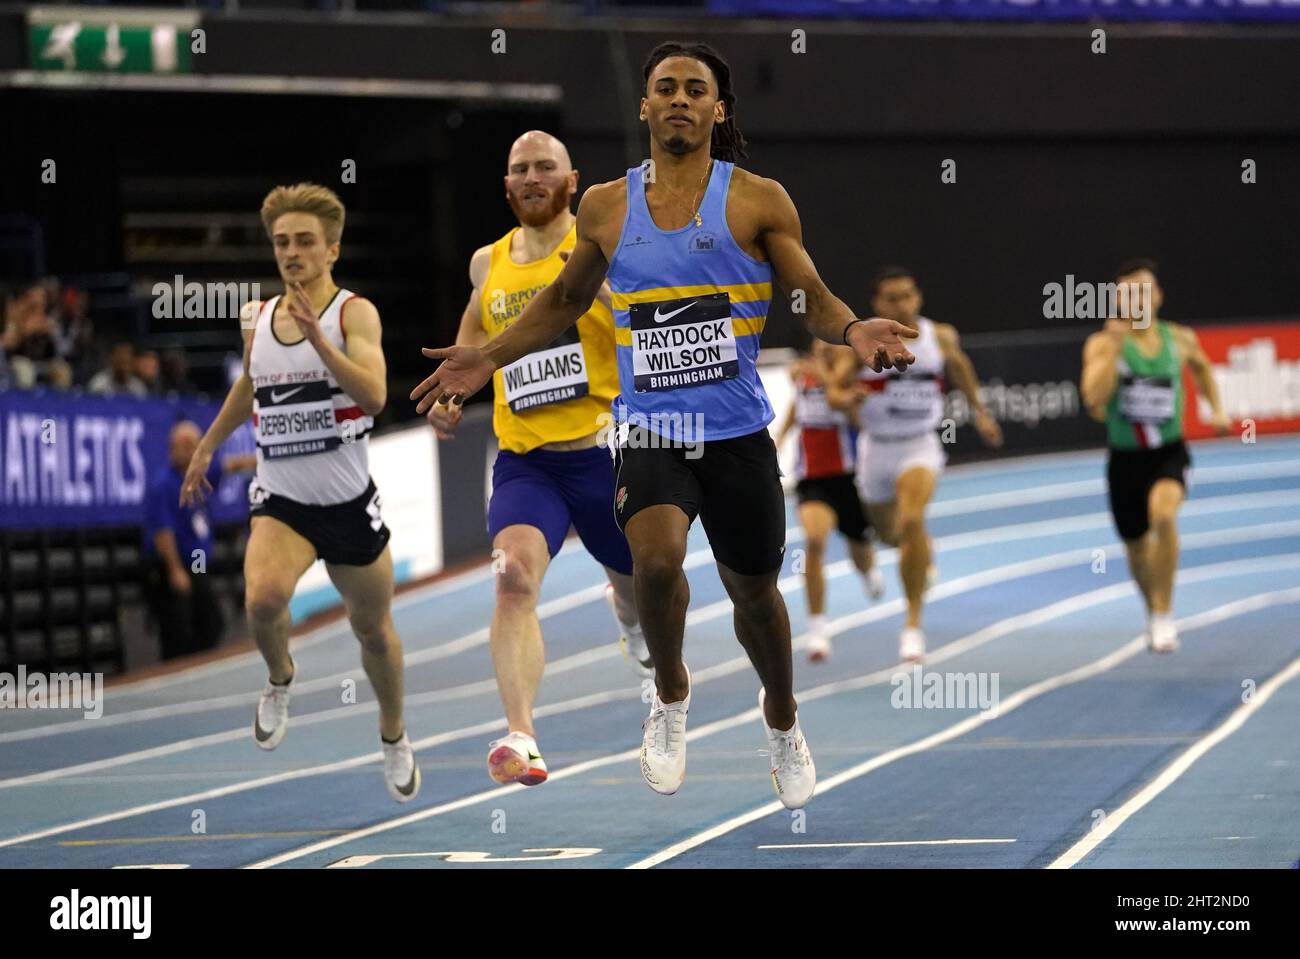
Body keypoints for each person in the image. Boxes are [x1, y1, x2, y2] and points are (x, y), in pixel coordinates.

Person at [412, 41, 917, 810]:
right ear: (644, 107)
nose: (679, 99)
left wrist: (851, 330)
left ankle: (781, 718)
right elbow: (560, 304)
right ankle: (671, 696)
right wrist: (485, 357)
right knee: (653, 561)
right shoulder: (608, 206)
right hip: (650, 426)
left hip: (737, 432)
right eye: (664, 89)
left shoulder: (757, 198)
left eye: (695, 89)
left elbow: (808, 294)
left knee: (755, 595)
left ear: (719, 110)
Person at [181, 183, 421, 802]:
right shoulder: (256, 317)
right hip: (282, 502)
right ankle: (280, 676)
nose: (292, 252)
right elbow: (252, 387)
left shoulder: (352, 314)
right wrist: (209, 445)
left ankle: (393, 735)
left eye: (305, 242)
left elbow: (373, 396)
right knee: (261, 600)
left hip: (346, 505)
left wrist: (320, 341)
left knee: (373, 631)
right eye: (282, 242)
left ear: (332, 249)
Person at [425, 130, 648, 788]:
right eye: (519, 168)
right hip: (528, 462)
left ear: (571, 180)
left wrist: (616, 304)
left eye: (544, 166)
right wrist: (453, 385)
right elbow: (473, 321)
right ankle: (522, 732)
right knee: (513, 580)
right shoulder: (485, 262)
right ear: (506, 185)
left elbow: (652, 325)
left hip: (605, 455)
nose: (531, 176)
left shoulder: (605, 251)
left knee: (643, 589)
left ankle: (629, 610)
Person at [828, 266, 1002, 663]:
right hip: (876, 449)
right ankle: (922, 548)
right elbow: (836, 390)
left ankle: (912, 625)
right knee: (890, 535)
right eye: (892, 298)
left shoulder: (939, 335)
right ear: (877, 303)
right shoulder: (862, 340)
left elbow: (960, 368)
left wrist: (980, 412)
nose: (901, 304)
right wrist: (847, 398)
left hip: (920, 445)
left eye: (907, 295)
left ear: (918, 296)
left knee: (911, 520)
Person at [1080, 258, 1230, 652]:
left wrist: (1216, 408)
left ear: (1159, 295)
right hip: (1124, 459)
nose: (1138, 300)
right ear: (1117, 300)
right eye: (1129, 293)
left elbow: (1202, 369)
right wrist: (1113, 350)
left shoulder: (1180, 339)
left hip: (1168, 453)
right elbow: (1093, 400)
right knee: (1135, 547)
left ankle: (1164, 614)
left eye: (1144, 291)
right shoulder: (1102, 343)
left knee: (1163, 515)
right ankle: (1153, 610)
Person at [775, 339, 884, 663]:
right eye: (818, 344)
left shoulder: (850, 381)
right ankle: (818, 629)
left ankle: (866, 572)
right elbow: (798, 404)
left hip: (848, 478)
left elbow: (858, 423)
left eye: (831, 346)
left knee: (859, 549)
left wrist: (848, 396)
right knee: (814, 541)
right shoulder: (803, 375)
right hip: (812, 480)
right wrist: (782, 434)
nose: (823, 349)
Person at [143, 420, 256, 659]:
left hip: (196, 563)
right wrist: (175, 570)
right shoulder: (163, 486)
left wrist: (266, 459)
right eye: (190, 446)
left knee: (210, 621)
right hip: (173, 565)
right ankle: (177, 673)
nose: (195, 451)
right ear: (176, 448)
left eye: (197, 445)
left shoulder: (197, 476)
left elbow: (231, 465)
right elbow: (163, 532)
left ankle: (197, 660)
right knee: (178, 630)